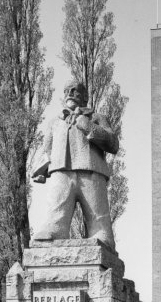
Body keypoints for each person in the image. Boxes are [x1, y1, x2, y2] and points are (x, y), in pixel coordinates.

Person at [32, 80, 118, 250]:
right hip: (61, 171)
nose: (70, 93)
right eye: (67, 91)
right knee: (56, 209)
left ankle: (102, 234)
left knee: (98, 215)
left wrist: (87, 126)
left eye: (75, 90)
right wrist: (40, 168)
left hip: (91, 171)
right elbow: (47, 148)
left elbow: (113, 144)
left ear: (85, 96)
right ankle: (55, 230)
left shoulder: (97, 118)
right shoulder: (55, 122)